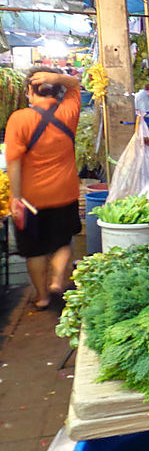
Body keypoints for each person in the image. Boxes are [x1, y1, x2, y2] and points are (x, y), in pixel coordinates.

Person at [4, 68, 81, 310]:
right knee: (62, 242)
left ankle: (42, 297)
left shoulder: (19, 119)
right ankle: (58, 281)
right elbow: (76, 85)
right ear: (58, 91)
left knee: (34, 250)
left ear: (29, 91)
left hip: (30, 199)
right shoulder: (68, 111)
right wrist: (59, 78)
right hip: (65, 192)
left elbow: (13, 161)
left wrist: (15, 198)